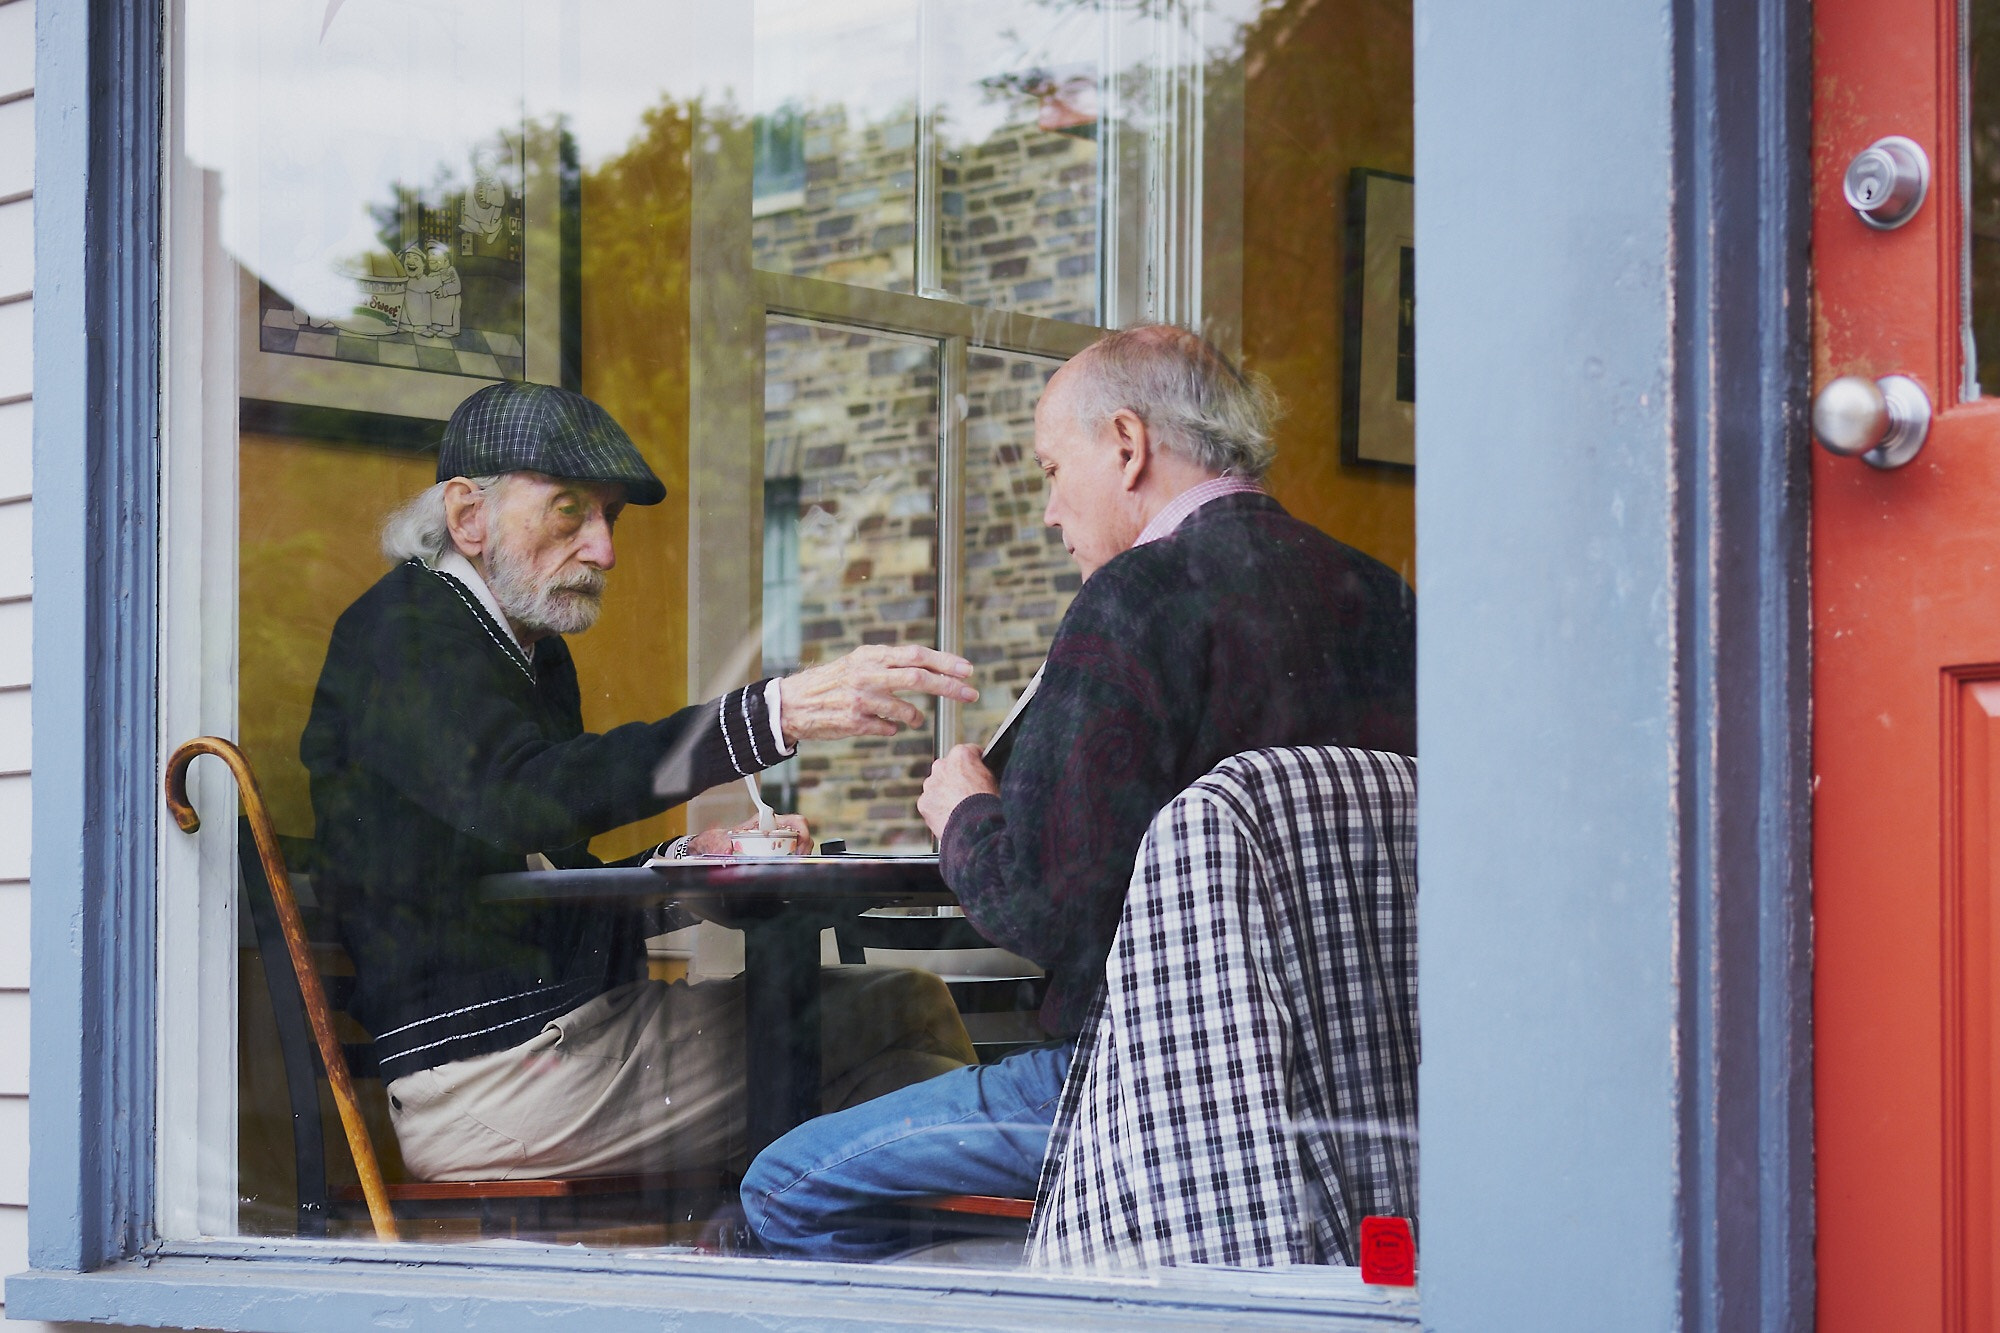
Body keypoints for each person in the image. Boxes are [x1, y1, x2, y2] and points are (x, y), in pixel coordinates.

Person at [739, 324, 1417, 1261]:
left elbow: (1050, 907)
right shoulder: (1381, 593)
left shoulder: (1138, 598)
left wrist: (965, 808)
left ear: (1129, 446)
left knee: (779, 1187)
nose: (1051, 514)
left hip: (1147, 1084)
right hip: (1369, 1100)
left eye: (1054, 470)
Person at [301, 381, 980, 1183]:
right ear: (467, 516)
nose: (605, 549)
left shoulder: (527, 650)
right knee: (905, 1054)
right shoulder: (403, 633)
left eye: (609, 517)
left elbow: (542, 877)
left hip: (563, 1042)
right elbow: (520, 798)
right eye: (568, 510)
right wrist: (775, 712)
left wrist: (686, 856)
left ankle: (872, 1253)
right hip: (493, 1081)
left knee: (906, 1025)